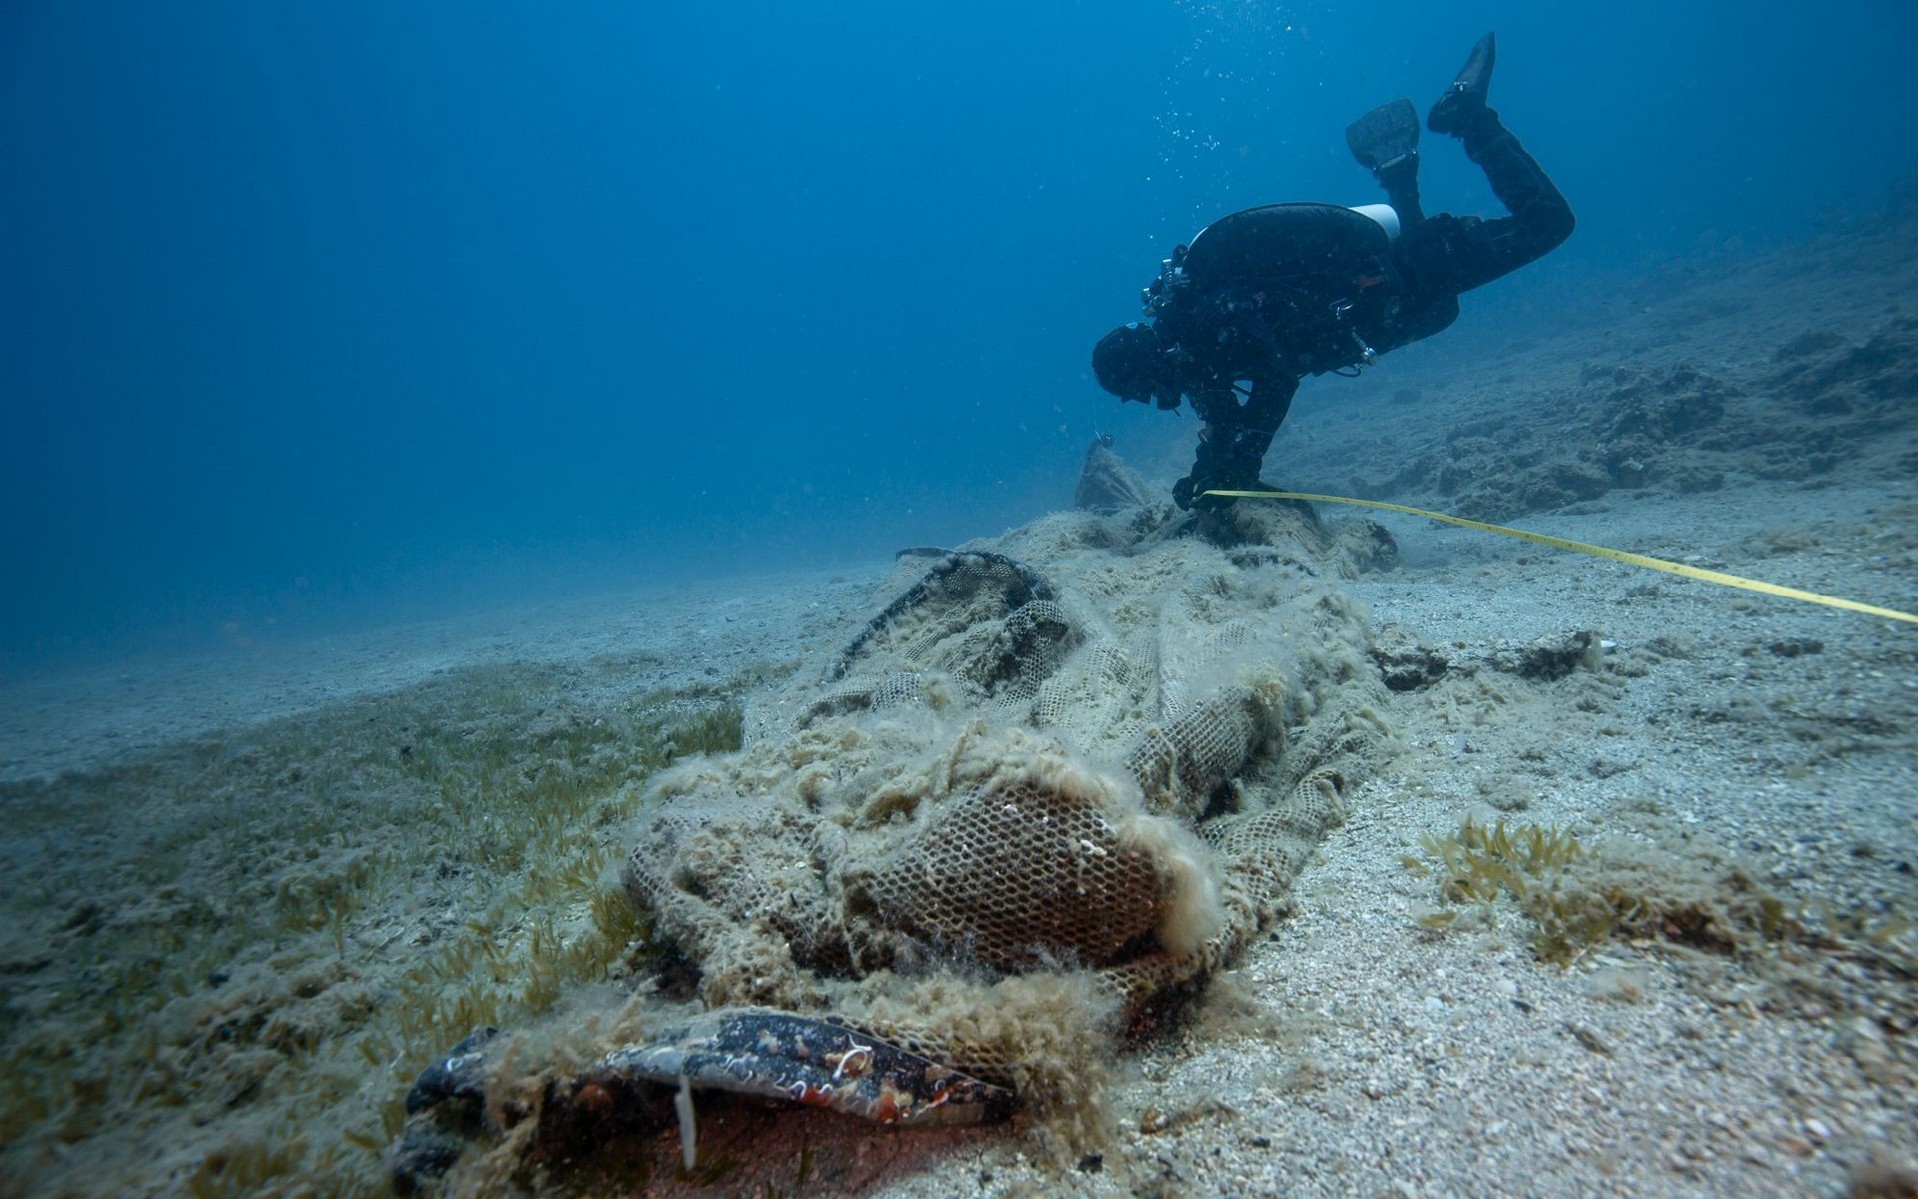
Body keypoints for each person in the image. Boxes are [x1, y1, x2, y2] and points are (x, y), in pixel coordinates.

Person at [1092, 33, 1574, 510]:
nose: (1151, 400)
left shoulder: (1214, 319)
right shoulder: (1199, 360)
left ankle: (1469, 117)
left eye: (1139, 389)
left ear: (1150, 360)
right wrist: (1207, 473)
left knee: (1547, 223)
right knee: (1443, 299)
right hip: (1388, 303)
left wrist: (1245, 461)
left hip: (1401, 269)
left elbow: (1278, 375)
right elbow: (1226, 420)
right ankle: (1399, 173)